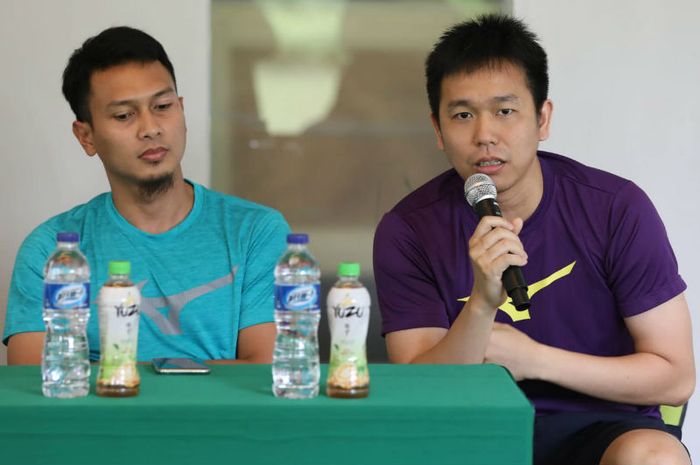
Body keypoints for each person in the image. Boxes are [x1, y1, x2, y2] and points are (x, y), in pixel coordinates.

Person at [373, 14, 694, 465]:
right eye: (463, 115)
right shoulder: (408, 229)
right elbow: (417, 391)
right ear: (437, 129)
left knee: (655, 457)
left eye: (505, 111)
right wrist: (482, 305)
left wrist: (535, 360)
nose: (484, 135)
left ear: (542, 118)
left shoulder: (615, 207)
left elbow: (674, 376)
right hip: (467, 436)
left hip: (601, 430)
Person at [4, 26, 290, 365]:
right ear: (86, 137)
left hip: (220, 420)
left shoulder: (256, 232)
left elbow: (267, 371)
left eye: (163, 106)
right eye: (124, 115)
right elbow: (36, 384)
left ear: (181, 111)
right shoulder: (53, 251)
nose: (150, 128)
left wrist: (115, 375)